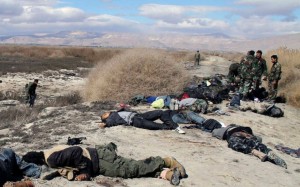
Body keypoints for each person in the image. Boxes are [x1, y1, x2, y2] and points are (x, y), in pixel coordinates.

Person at [22, 143, 187, 185]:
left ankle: (165, 161)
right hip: (97, 157)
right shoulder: (48, 153)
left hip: (98, 160)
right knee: (130, 169)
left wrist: (85, 172)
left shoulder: (50, 159)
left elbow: (75, 152)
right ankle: (167, 173)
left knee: (130, 169)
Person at [212, 124, 287, 169]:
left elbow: (215, 133)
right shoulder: (235, 126)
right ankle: (268, 151)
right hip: (247, 133)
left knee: (235, 144)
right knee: (256, 143)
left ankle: (255, 152)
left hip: (235, 134)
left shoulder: (220, 130)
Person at [100, 110, 186, 134]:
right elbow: (111, 122)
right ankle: (173, 127)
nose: (105, 113)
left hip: (140, 115)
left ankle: (174, 126)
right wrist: (105, 124)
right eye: (104, 115)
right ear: (105, 118)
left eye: (105, 113)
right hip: (136, 121)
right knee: (158, 126)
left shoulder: (116, 112)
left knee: (159, 112)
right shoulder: (111, 118)